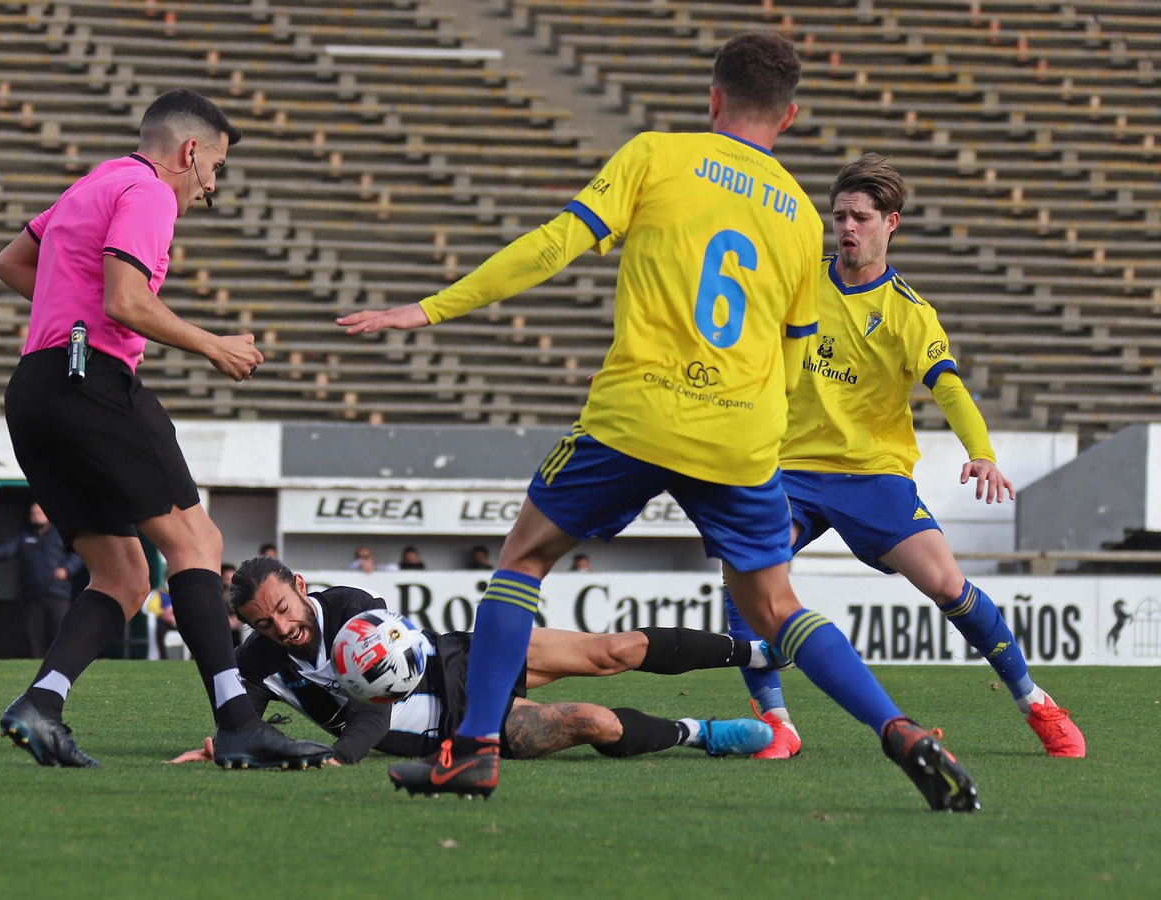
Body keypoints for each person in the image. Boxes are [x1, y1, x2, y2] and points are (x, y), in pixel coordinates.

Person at [338, 33, 978, 811]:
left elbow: (554, 244)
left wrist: (432, 308)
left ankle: (473, 752)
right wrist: (757, 435)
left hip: (636, 415)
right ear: (789, 116)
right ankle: (900, 731)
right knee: (778, 609)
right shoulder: (797, 218)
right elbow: (796, 356)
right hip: (740, 436)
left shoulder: (656, 156)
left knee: (523, 561)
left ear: (714, 98)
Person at [0, 88, 329, 770]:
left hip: (35, 391)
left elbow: (10, 263)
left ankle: (41, 704)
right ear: (191, 150)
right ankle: (238, 723)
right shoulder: (148, 193)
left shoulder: (93, 183)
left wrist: (75, 317)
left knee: (122, 573)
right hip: (92, 384)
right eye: (216, 167)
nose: (212, 186)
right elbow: (126, 299)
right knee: (197, 542)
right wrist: (213, 344)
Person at [726, 155, 1085, 760]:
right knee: (745, 572)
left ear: (890, 223)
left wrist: (982, 454)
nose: (847, 227)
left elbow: (950, 388)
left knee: (948, 585)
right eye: (840, 215)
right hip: (791, 471)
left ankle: (1035, 701)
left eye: (861, 217)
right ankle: (776, 723)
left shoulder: (909, 312)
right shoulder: (799, 282)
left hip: (873, 477)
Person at [168, 558, 779, 767]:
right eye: (263, 624)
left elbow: (373, 706)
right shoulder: (257, 661)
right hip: (451, 729)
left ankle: (759, 650)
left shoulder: (351, 607)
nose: (281, 628)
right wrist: (229, 744)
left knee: (610, 650)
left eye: (282, 608)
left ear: (300, 586)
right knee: (595, 721)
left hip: (459, 659)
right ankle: (701, 733)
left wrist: (340, 754)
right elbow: (243, 722)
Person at [0, 503, 85, 658]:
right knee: (33, 634)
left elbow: (78, 555)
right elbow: (8, 551)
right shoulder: (24, 536)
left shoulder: (60, 535)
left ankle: (62, 661)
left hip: (58, 594)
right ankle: (37, 663)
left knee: (60, 630)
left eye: (39, 513)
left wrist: (66, 569)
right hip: (32, 594)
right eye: (33, 513)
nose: (36, 516)